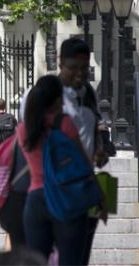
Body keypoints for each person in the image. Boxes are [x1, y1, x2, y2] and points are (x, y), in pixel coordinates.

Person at [18, 75, 88, 265]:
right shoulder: (65, 124)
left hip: (35, 200)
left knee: (36, 261)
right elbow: (81, 163)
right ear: (58, 101)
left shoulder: (24, 129)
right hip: (64, 199)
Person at [57, 37, 108, 265]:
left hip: (86, 184)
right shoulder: (46, 94)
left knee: (81, 255)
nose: (80, 74)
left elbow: (94, 127)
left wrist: (99, 150)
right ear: (60, 65)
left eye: (84, 68)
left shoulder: (88, 93)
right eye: (73, 68)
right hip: (57, 187)